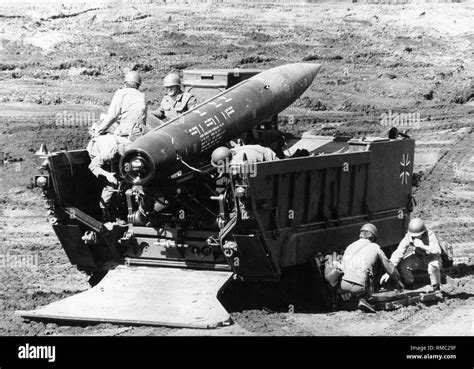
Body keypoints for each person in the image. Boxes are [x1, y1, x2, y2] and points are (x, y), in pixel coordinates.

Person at [338, 223, 402, 313]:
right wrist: (398, 281)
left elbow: (343, 267)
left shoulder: (350, 246)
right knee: (376, 266)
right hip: (360, 287)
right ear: (373, 237)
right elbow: (389, 267)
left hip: (343, 285)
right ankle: (364, 298)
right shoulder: (375, 247)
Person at [380, 218, 442, 291]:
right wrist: (389, 271)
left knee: (433, 266)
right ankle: (410, 285)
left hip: (432, 258)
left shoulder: (430, 235)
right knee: (403, 266)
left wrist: (423, 246)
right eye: (414, 236)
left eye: (418, 235)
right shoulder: (408, 236)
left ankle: (436, 288)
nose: (415, 237)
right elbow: (398, 253)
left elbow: (437, 251)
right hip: (418, 258)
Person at [86, 133, 130, 222]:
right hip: (96, 148)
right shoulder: (109, 153)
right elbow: (92, 166)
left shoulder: (132, 145)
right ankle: (107, 218)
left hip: (113, 146)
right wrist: (107, 175)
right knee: (112, 183)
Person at [94, 71, 147, 141]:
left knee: (97, 127)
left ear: (125, 84)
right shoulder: (142, 96)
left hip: (126, 131)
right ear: (138, 85)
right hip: (141, 132)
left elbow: (113, 116)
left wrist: (98, 131)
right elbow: (143, 119)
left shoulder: (121, 93)